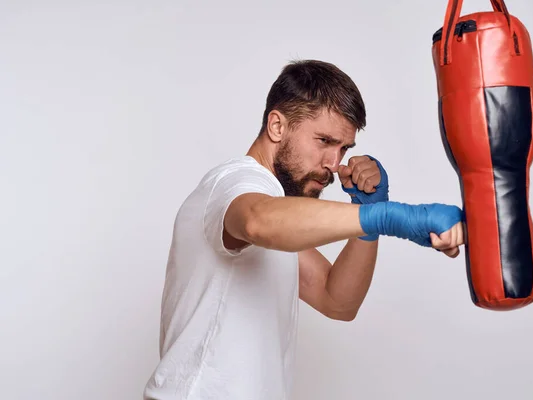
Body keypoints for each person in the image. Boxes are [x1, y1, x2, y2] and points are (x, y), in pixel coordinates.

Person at [143, 59, 464, 400]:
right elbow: (258, 220)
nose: (333, 163)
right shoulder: (236, 181)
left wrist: (366, 217)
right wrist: (390, 217)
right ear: (277, 126)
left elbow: (337, 300)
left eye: (343, 148)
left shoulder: (278, 217)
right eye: (324, 140)